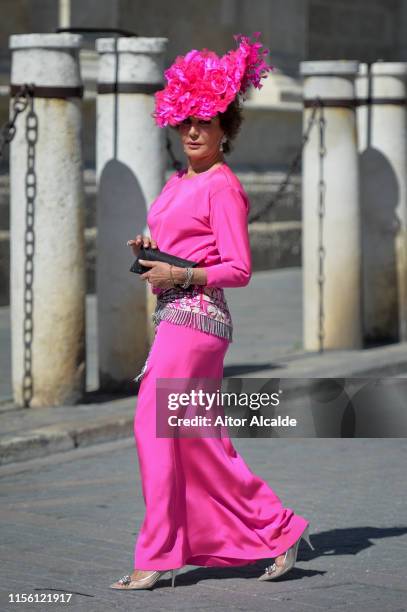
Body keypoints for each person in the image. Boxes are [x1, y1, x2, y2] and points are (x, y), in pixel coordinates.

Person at [110, 32, 314, 591]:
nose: (194, 131)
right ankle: (277, 529)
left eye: (206, 121)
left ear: (226, 127)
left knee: (154, 428)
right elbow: (181, 241)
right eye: (186, 122)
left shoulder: (223, 187)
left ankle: (156, 555)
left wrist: (180, 274)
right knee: (199, 441)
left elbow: (239, 269)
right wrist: (150, 251)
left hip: (197, 321)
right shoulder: (180, 181)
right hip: (173, 316)